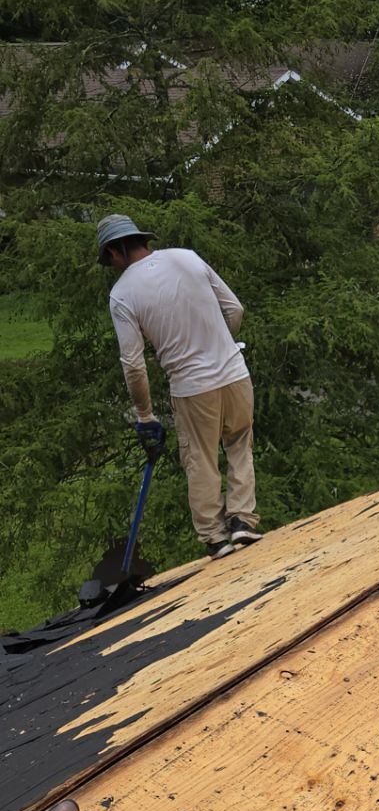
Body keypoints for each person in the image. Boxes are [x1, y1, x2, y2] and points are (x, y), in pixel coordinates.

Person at [97, 213, 261, 559]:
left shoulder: (122, 293)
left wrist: (145, 415)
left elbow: (133, 363)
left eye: (108, 259)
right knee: (239, 444)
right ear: (141, 240)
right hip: (234, 373)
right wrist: (218, 346)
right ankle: (243, 521)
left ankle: (216, 538)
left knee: (199, 458)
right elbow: (235, 309)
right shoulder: (187, 257)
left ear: (115, 252)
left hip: (191, 387)